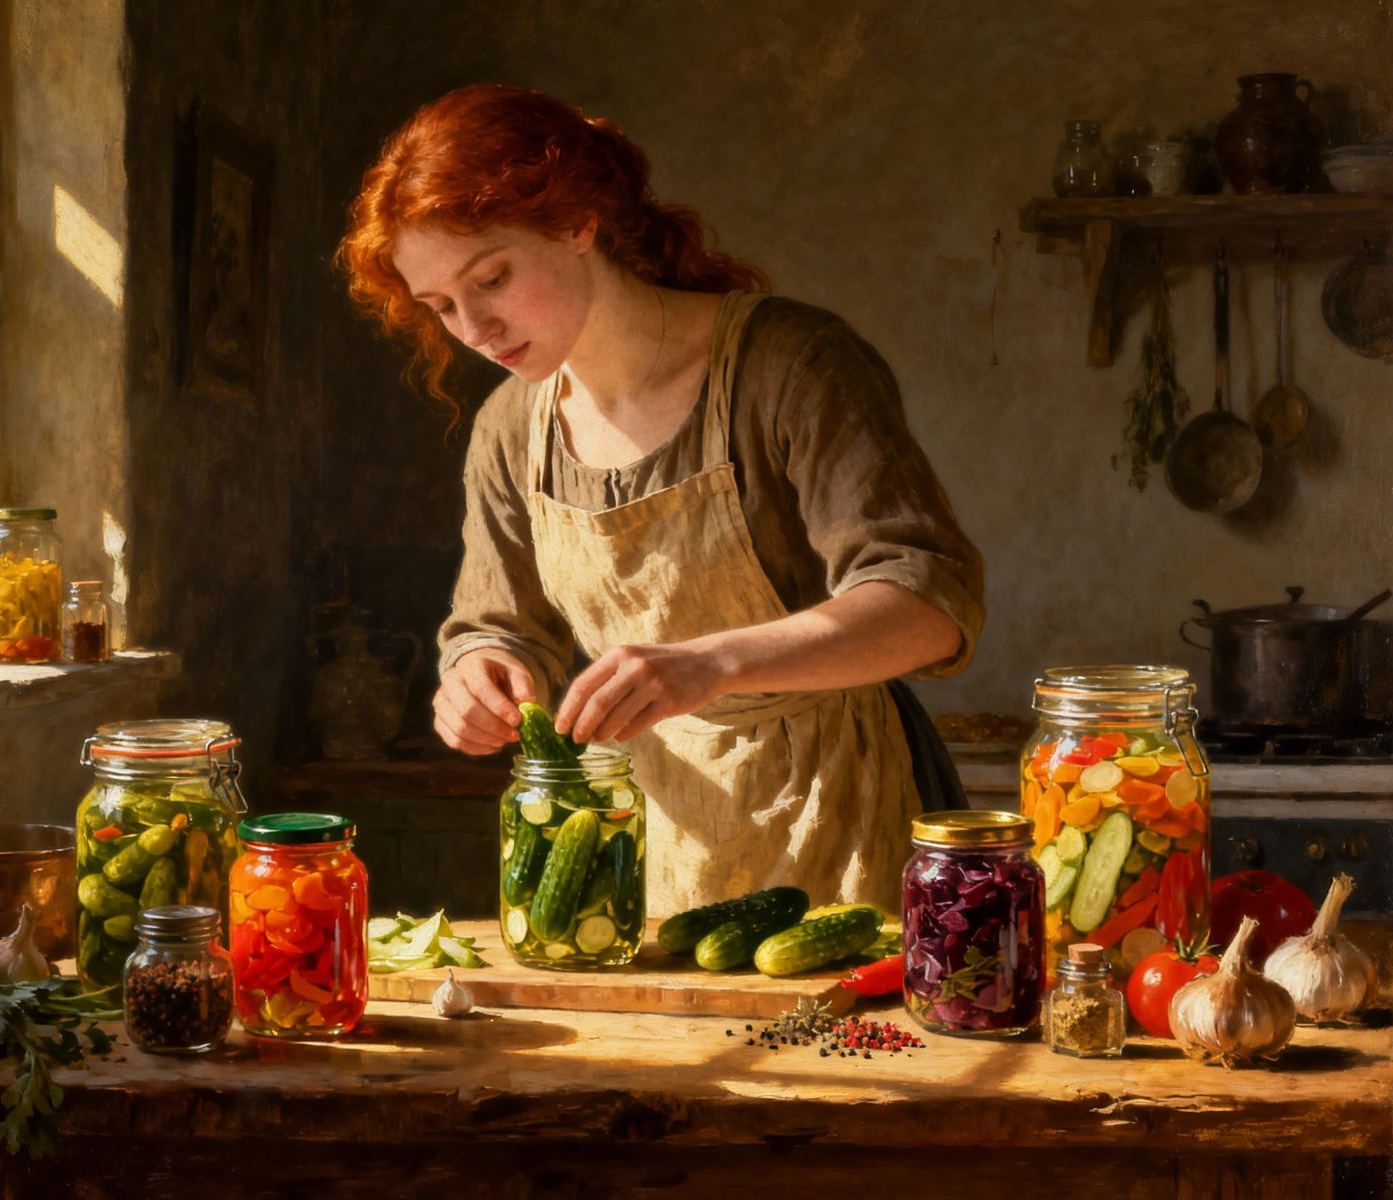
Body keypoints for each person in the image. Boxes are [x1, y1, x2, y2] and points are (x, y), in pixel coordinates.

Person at [337, 83, 984, 913]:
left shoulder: (790, 366)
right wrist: (477, 673)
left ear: (577, 221)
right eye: (442, 307)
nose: (475, 330)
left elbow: (930, 601)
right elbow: (501, 624)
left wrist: (714, 662)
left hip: (842, 818)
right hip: (640, 837)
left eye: (491, 278)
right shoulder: (510, 427)